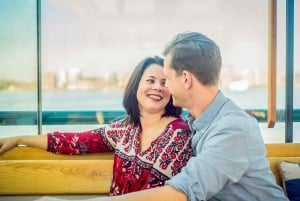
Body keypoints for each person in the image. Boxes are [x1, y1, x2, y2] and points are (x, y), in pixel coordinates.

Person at [31, 31, 290, 201]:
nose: (162, 86)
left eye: (167, 78)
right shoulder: (198, 123)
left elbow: (183, 191)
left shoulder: (232, 128)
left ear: (185, 79)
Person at [0, 56, 193, 196]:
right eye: (150, 80)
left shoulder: (179, 134)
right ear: (135, 87)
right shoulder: (125, 130)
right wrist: (19, 138)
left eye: (164, 82)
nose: (157, 87)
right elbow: (75, 142)